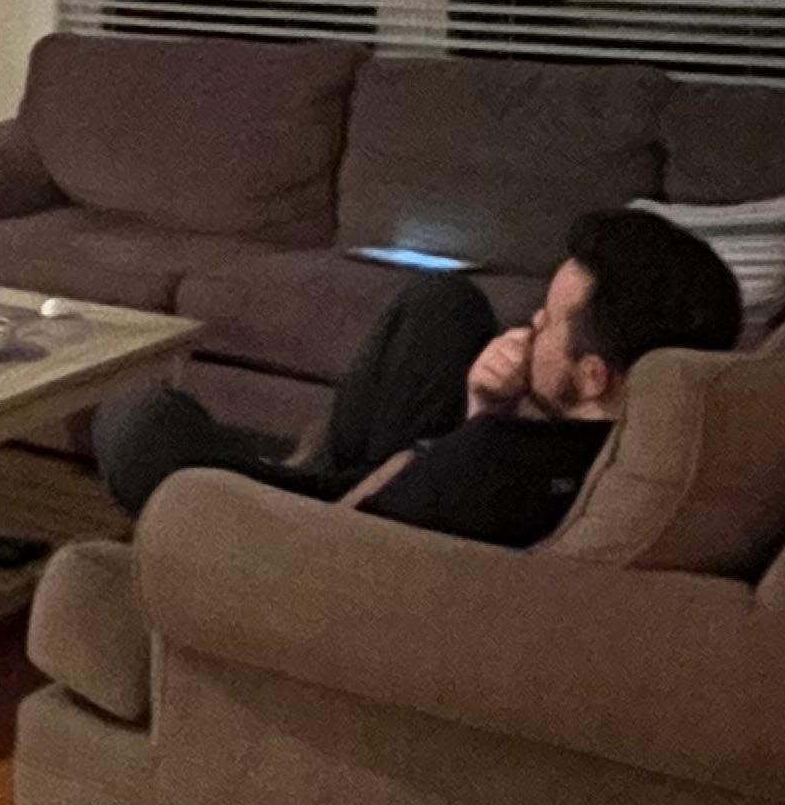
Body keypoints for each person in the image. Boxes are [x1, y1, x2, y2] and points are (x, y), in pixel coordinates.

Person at [88, 206, 745, 554]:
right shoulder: (638, 443)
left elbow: (331, 542)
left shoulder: (494, 459)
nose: (532, 322)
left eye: (548, 322)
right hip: (413, 486)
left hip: (317, 529)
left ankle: (302, 461)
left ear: (594, 374)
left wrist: (484, 418)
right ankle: (308, 458)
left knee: (136, 420)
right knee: (443, 301)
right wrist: (483, 405)